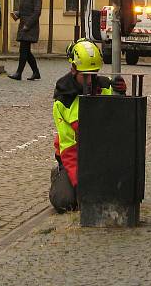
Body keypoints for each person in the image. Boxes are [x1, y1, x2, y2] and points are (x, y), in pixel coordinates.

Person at [50, 39, 126, 212]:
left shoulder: (105, 86)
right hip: (74, 156)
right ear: (73, 69)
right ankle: (59, 176)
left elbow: (119, 120)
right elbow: (68, 148)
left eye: (93, 75)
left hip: (99, 155)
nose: (90, 81)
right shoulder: (63, 101)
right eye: (85, 76)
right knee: (66, 202)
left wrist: (121, 94)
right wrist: (80, 186)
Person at [9, 0, 42, 81]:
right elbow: (23, 10)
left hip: (30, 26)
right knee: (26, 51)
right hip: (23, 25)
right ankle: (36, 72)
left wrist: (27, 25)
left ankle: (19, 73)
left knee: (23, 50)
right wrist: (17, 14)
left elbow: (37, 12)